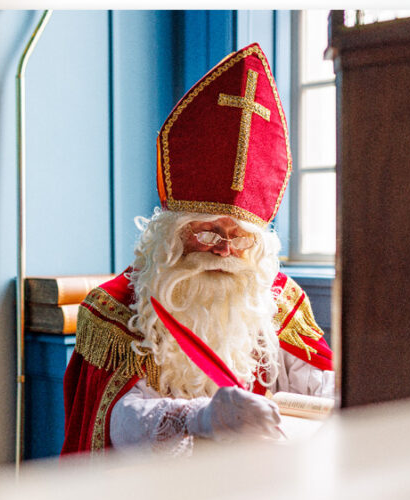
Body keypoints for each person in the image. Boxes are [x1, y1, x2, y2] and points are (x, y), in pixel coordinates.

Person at [61, 43, 334, 457]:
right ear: (171, 234)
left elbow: (318, 381)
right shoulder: (114, 308)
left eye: (239, 238)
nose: (224, 250)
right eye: (208, 233)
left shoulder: (279, 298)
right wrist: (200, 418)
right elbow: (120, 422)